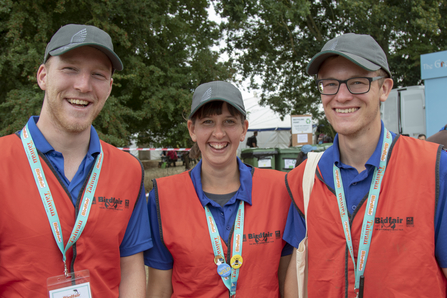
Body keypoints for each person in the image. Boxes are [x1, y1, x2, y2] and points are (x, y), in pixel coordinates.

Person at [283, 33, 447, 297]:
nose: (342, 96)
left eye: (357, 83)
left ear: (384, 89)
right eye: (330, 84)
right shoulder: (305, 178)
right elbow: (296, 269)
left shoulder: (434, 168)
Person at [0, 24, 152, 297]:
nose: (83, 85)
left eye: (98, 74)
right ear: (43, 76)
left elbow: (130, 267)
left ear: (109, 87)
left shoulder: (128, 170)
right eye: (70, 69)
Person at [144, 81, 293, 298]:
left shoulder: (279, 190)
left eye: (229, 122)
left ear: (243, 129)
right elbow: (159, 288)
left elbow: (287, 282)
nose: (219, 133)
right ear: (192, 130)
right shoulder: (163, 197)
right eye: (208, 122)